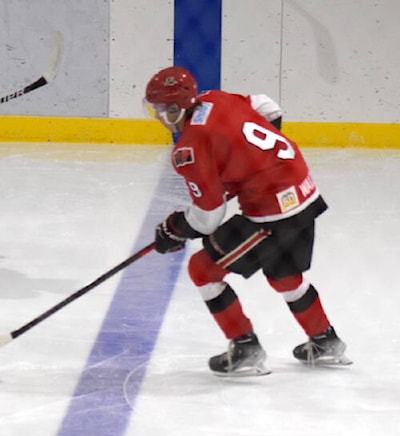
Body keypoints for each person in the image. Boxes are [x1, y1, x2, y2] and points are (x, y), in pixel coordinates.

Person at [144, 65, 351, 376]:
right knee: (284, 274)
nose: (159, 116)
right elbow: (268, 106)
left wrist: (173, 229)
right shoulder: (215, 98)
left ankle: (245, 347)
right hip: (303, 189)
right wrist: (254, 164)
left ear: (177, 108)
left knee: (202, 269)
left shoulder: (190, 147)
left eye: (162, 109)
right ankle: (326, 341)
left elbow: (207, 218)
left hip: (273, 210)